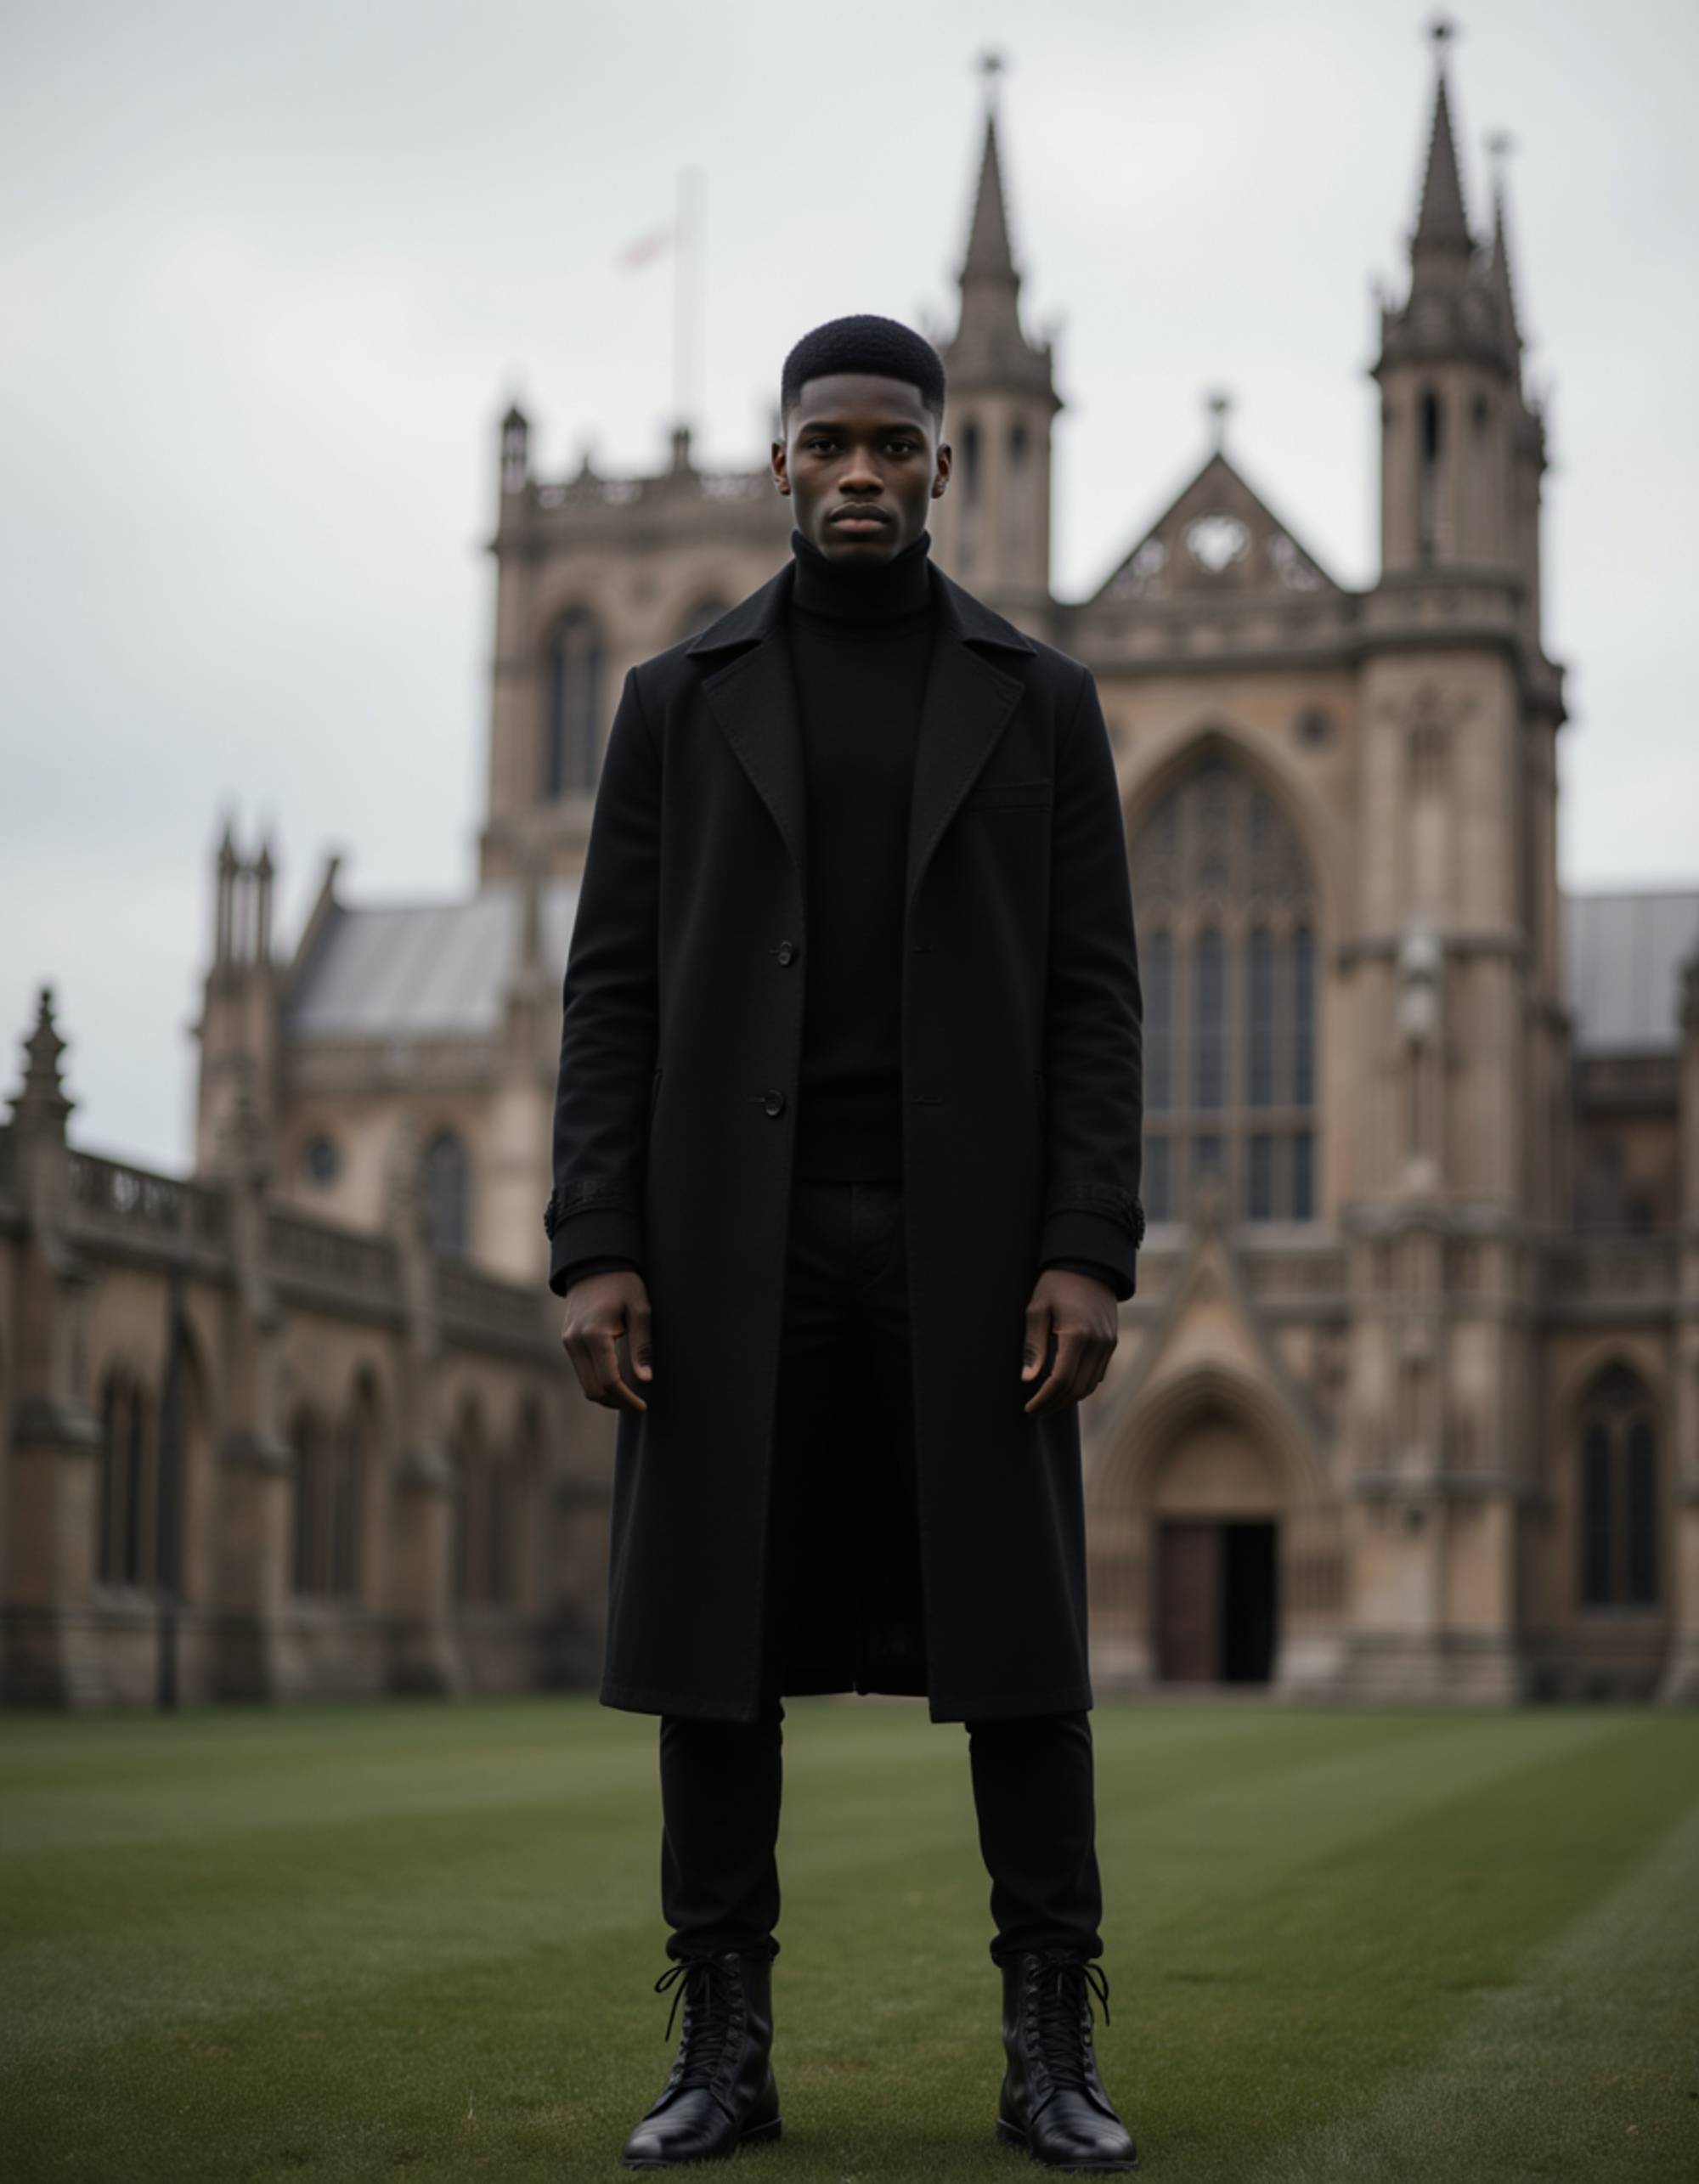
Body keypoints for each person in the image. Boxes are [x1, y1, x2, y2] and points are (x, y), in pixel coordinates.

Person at [546, 313, 1144, 2171]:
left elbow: (1096, 999)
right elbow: (612, 992)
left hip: (977, 1248)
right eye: (831, 443)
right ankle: (725, 2051)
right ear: (782, 463)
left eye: (895, 444)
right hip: (734, 1242)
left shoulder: (1041, 699)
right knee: (713, 1654)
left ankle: (1049, 2050)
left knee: (1023, 1657)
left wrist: (1086, 1242)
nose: (862, 472)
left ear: (946, 466)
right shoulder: (675, 699)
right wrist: (595, 1241)